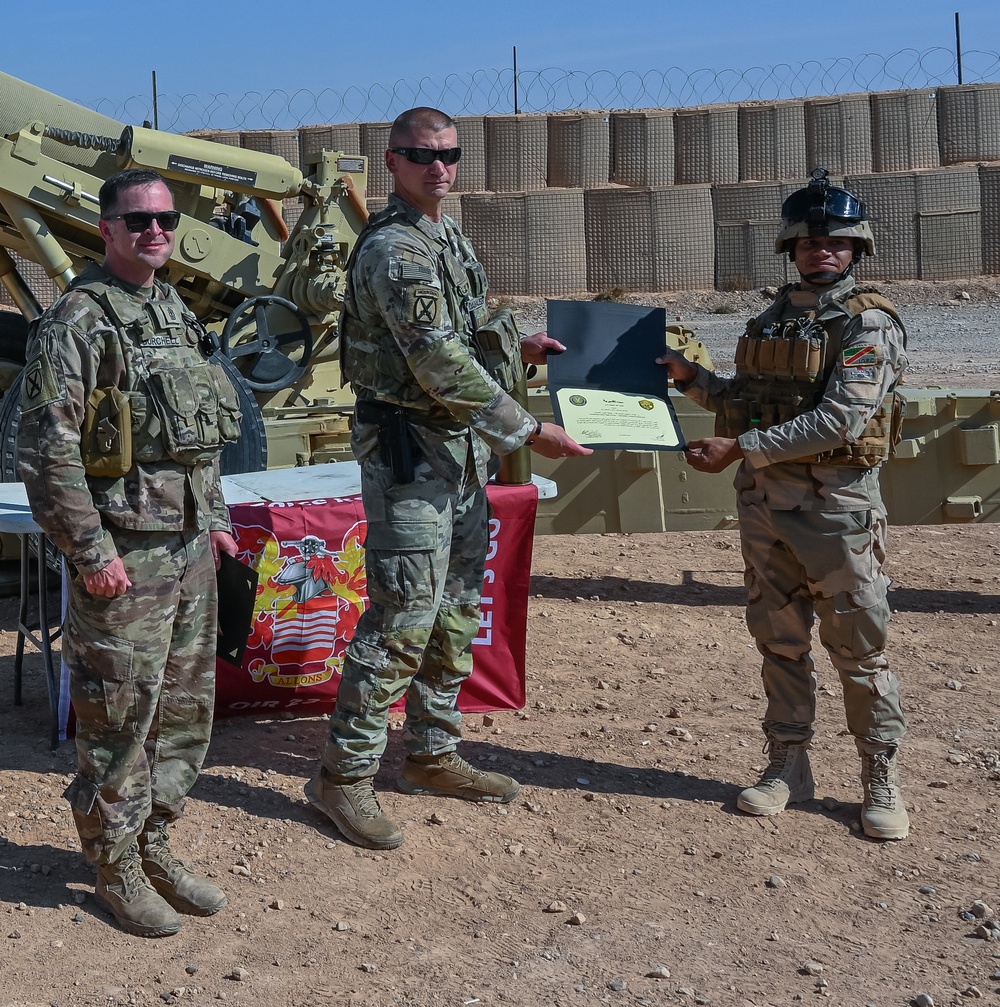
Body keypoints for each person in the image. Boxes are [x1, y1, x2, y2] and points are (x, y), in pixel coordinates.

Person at [305, 106, 592, 850]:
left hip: (458, 456)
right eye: (420, 155)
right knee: (402, 617)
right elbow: (434, 360)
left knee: (458, 606)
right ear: (392, 162)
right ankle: (343, 778)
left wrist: (519, 348)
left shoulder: (445, 236)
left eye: (448, 154)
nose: (438, 167)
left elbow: (462, 334)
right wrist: (527, 428)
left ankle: (431, 752)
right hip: (412, 460)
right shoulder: (396, 249)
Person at [18, 168, 240, 936]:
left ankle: (155, 842)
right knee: (118, 715)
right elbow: (47, 451)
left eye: (165, 219)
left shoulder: (173, 313)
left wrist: (211, 514)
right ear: (107, 229)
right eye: (137, 219)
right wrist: (89, 550)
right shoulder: (79, 321)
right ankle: (113, 862)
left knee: (182, 710)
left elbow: (198, 438)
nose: (155, 230)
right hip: (125, 555)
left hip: (186, 551)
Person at [658, 169, 909, 840]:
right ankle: (788, 764)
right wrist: (692, 380)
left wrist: (740, 449)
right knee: (780, 642)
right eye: (808, 241)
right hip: (767, 508)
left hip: (835, 512)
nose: (820, 251)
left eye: (834, 242)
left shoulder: (869, 324)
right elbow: (746, 402)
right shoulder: (773, 319)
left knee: (859, 649)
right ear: (790, 248)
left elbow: (840, 420)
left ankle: (878, 776)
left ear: (856, 249)